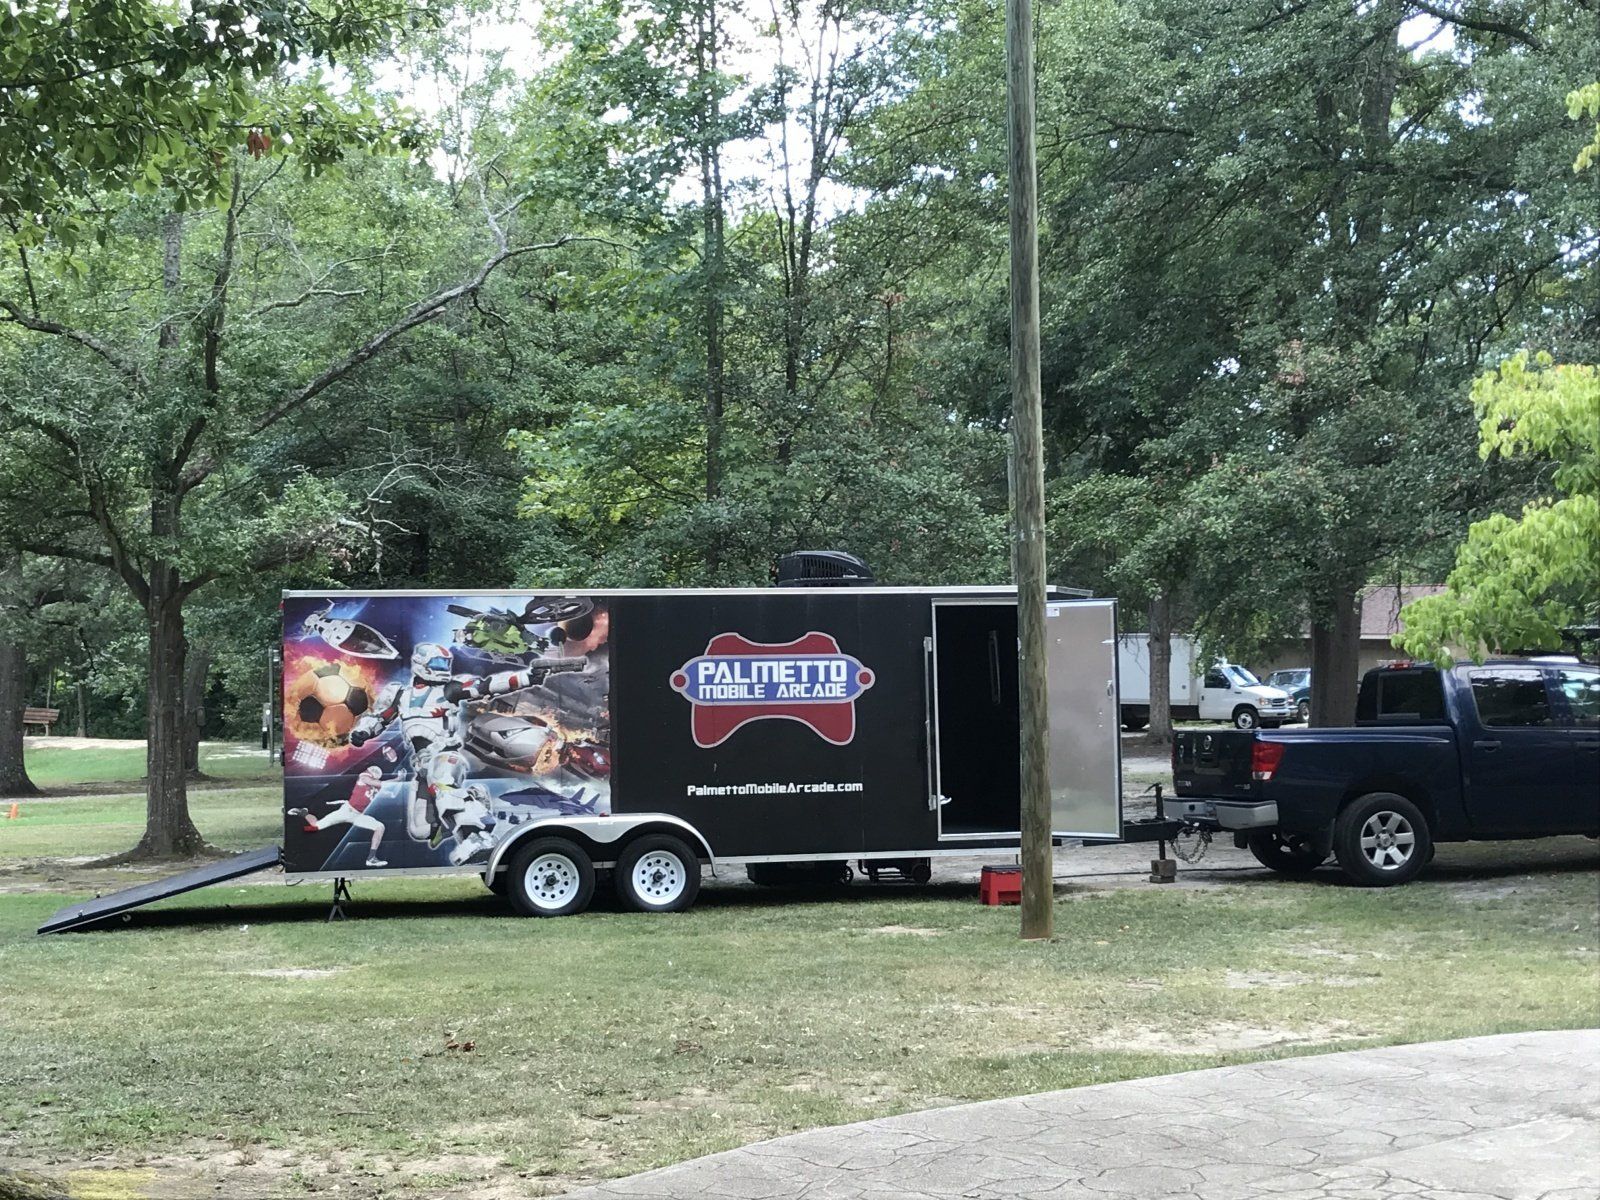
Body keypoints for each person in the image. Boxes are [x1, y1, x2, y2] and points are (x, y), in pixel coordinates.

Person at [288, 765, 389, 867]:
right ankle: (304, 813)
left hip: (358, 815)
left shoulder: (375, 787)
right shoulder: (364, 777)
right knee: (315, 827)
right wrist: (398, 779)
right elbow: (378, 783)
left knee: (380, 827)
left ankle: (371, 858)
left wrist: (397, 781)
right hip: (347, 811)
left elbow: (387, 791)